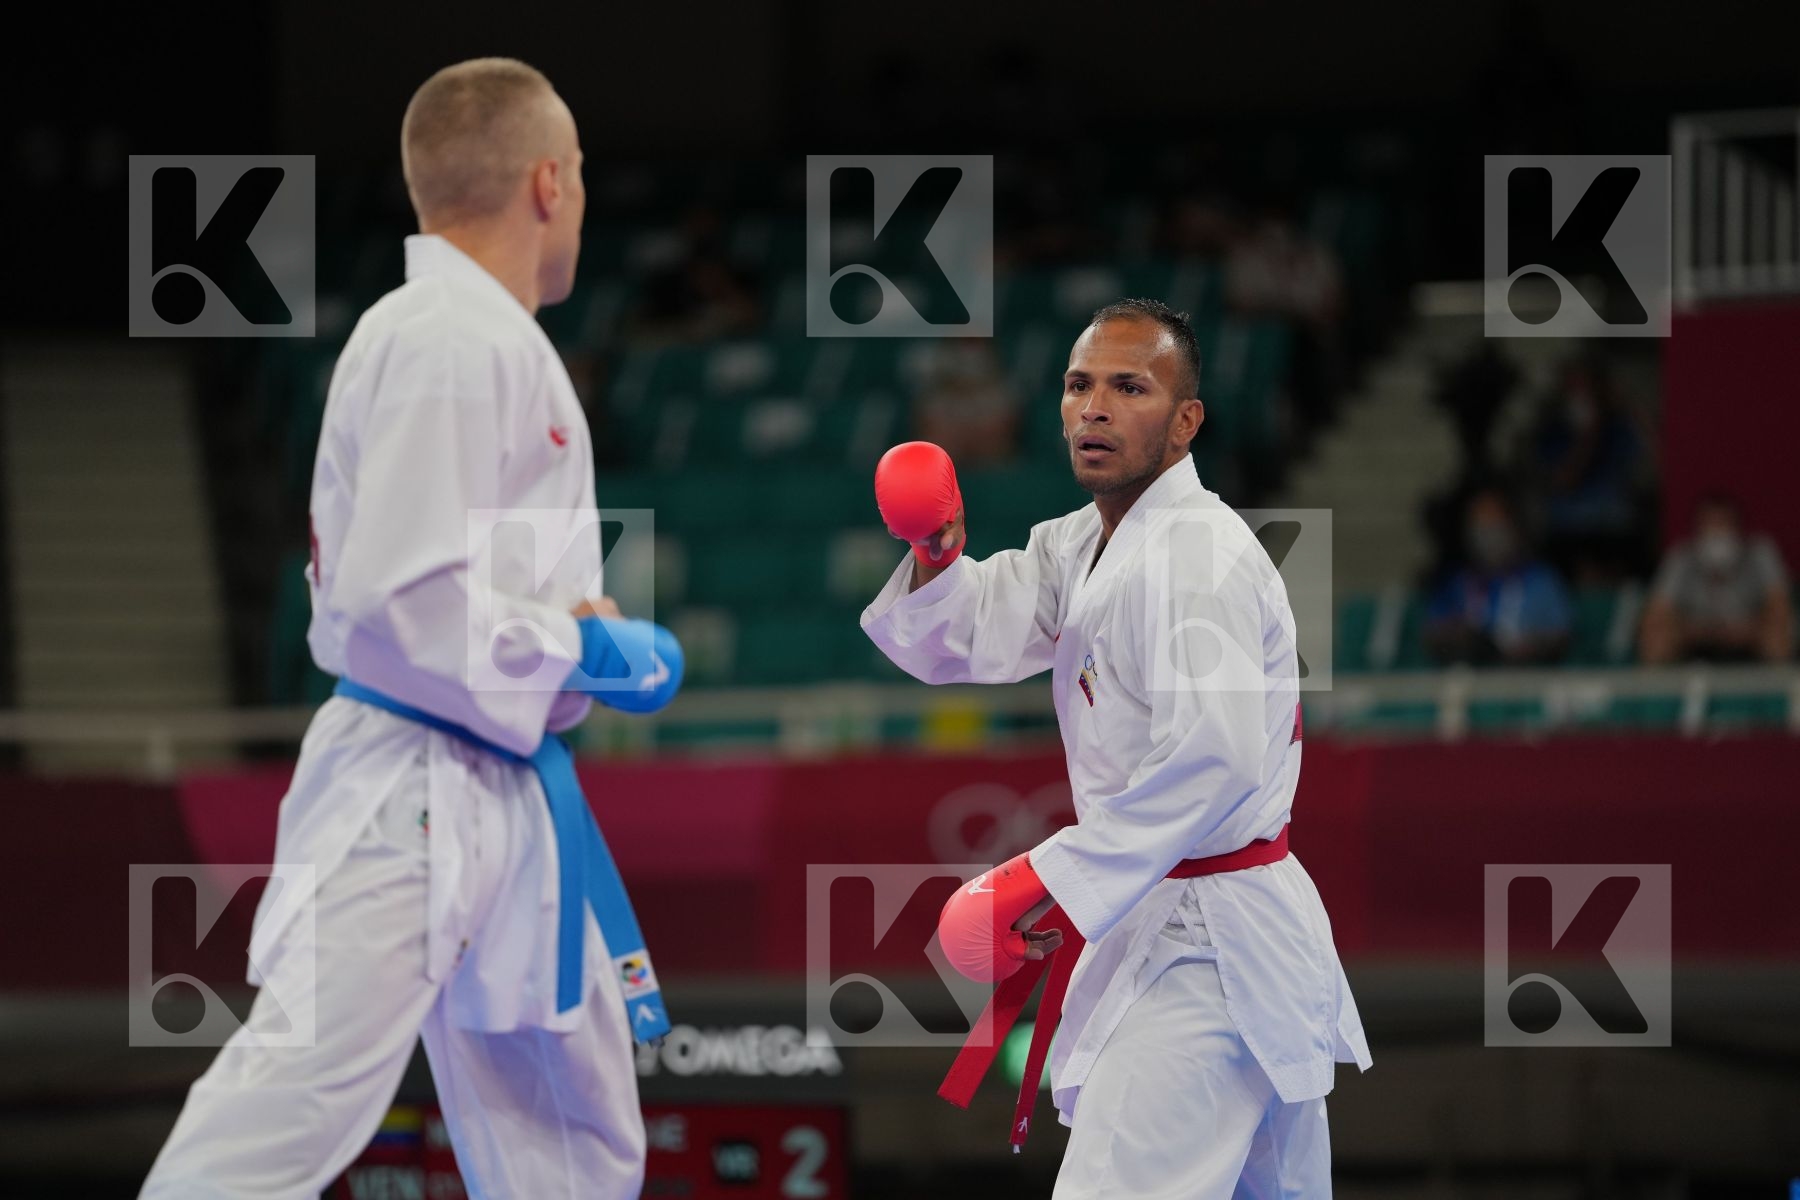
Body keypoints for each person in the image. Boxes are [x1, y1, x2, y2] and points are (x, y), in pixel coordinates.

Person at [141, 58, 682, 1199]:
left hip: (506, 784)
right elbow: (401, 599)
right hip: (409, 785)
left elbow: (460, 592)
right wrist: (581, 649)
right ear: (549, 182)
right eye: (580, 175)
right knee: (292, 1103)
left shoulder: (484, 336)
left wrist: (574, 644)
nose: (581, 197)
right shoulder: (446, 335)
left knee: (573, 1137)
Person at [863, 299, 1370, 1198]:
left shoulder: (1197, 557)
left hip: (1209, 953)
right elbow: (973, 632)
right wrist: (937, 552)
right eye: (1078, 385)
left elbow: (1216, 756)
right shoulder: (1084, 542)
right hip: (1198, 940)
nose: (1093, 408)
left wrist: (1046, 882)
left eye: (1130, 388)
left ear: (1186, 422)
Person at [1425, 485, 1572, 666]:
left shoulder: (1541, 581)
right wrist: (1460, 638)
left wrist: (1524, 648)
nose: (1487, 534)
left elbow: (1561, 637)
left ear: (1514, 526)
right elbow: (1432, 633)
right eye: (1479, 525)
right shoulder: (1457, 583)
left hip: (1525, 677)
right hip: (1466, 677)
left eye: (1494, 523)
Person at [1640, 492, 1793, 664]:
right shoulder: (1681, 557)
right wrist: (1694, 629)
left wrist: (1748, 628)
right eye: (1709, 525)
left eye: (1723, 524)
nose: (1717, 532)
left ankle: (1780, 681)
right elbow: (1657, 612)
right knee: (1656, 637)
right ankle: (1657, 682)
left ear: (1738, 529)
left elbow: (1779, 606)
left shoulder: (1759, 553)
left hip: (1749, 635)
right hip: (1694, 637)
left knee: (1777, 633)